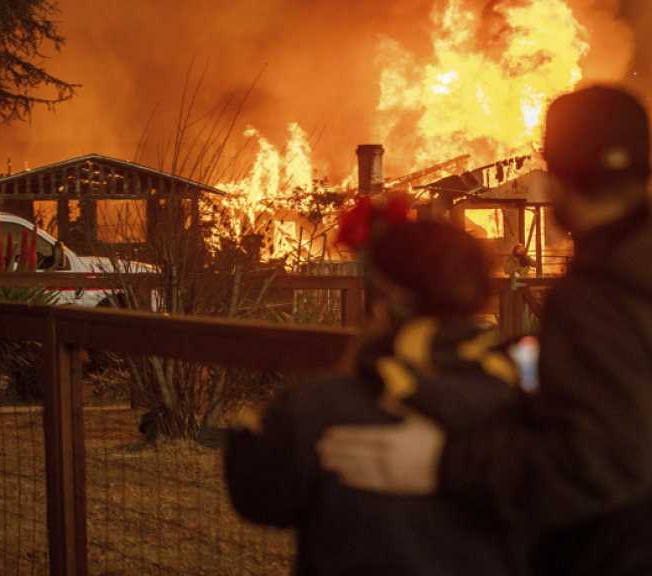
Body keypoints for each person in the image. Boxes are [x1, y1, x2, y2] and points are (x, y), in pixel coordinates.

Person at [318, 86, 652, 576]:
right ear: (646, 167)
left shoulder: (598, 296)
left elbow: (597, 463)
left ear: (558, 174)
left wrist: (442, 462)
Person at [224, 208, 528, 576]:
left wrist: (247, 427)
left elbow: (259, 499)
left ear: (381, 299)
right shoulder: (526, 402)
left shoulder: (318, 407)